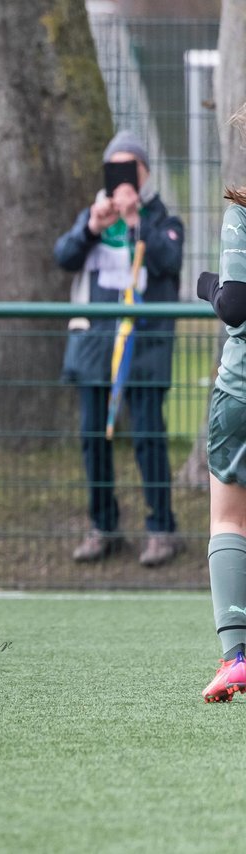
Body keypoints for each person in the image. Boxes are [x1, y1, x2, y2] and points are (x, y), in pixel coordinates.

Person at [53, 130, 184, 567]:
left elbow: (169, 260)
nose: (126, 177)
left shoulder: (163, 219)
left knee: (148, 436)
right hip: (94, 343)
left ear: (145, 172)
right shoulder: (92, 216)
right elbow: (64, 256)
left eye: (133, 167)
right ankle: (103, 527)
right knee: (93, 436)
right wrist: (93, 226)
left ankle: (161, 530)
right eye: (117, 167)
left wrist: (135, 222)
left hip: (145, 344)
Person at [197, 104, 246, 701]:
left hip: (240, 390)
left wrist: (205, 284)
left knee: (229, 519)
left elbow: (235, 304)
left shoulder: (242, 209)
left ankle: (238, 655)